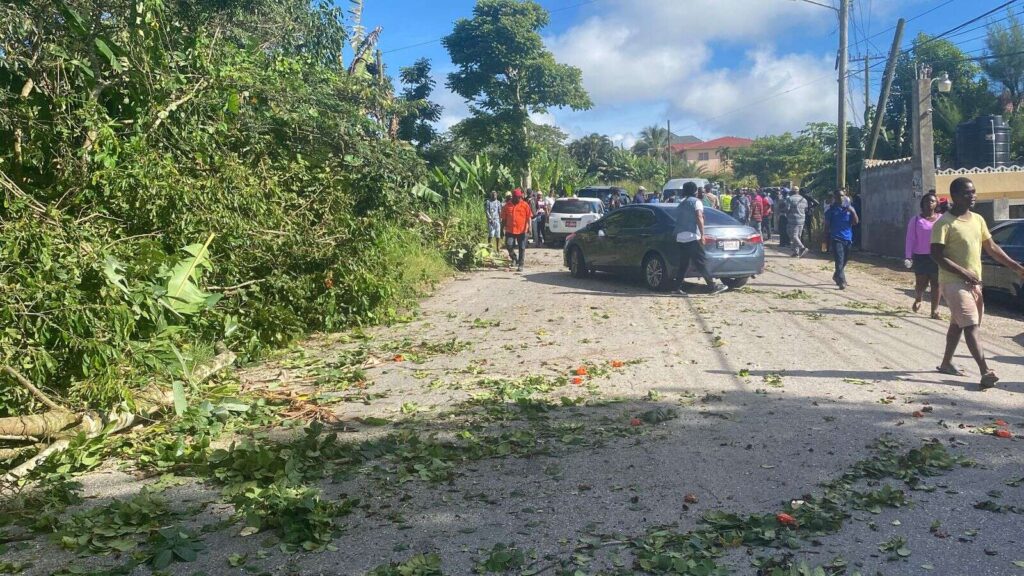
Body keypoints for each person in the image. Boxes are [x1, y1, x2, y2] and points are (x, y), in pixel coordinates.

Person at [932, 177, 1024, 390]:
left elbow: (992, 248)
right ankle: (985, 371)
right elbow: (936, 255)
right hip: (953, 282)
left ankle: (946, 363)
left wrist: (1016, 267)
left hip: (974, 283)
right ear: (954, 196)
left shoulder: (978, 220)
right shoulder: (944, 223)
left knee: (958, 324)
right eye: (966, 193)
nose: (972, 196)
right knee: (971, 325)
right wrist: (963, 271)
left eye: (973, 192)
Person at [673, 181, 726, 295]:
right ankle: (712, 286)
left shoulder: (681, 202)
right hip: (692, 236)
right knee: (701, 262)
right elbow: (699, 217)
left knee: (683, 264)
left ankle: (676, 288)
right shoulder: (697, 202)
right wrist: (702, 234)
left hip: (680, 237)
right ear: (694, 191)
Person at [904, 192, 942, 319]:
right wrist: (908, 256)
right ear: (922, 204)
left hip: (937, 256)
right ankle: (919, 297)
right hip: (921, 256)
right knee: (922, 283)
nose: (929, 203)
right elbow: (910, 239)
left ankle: (934, 311)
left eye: (932, 201)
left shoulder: (941, 219)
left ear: (936, 204)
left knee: (936, 283)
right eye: (926, 201)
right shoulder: (915, 220)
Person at [823, 190, 859, 289]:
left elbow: (855, 222)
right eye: (838, 196)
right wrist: (825, 242)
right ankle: (842, 281)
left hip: (848, 238)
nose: (841, 198)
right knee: (839, 260)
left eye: (842, 196)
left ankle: (836, 275)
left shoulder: (848, 209)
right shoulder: (830, 211)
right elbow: (826, 227)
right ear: (834, 197)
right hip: (836, 238)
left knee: (845, 260)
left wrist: (852, 211)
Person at [501, 188, 533, 272]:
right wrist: (501, 230)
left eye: (520, 197)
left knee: (522, 247)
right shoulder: (507, 206)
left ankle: (521, 264)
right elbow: (503, 219)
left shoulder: (525, 205)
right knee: (509, 245)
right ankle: (514, 258)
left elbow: (529, 217)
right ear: (513, 197)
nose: (519, 199)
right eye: (517, 197)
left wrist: (530, 227)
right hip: (510, 230)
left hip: (522, 230)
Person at [786, 187, 809, 257]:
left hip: (793, 220)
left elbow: (787, 209)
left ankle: (802, 248)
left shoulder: (790, 199)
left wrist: (787, 214)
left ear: (792, 192)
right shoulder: (804, 199)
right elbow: (806, 209)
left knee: (793, 235)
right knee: (798, 236)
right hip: (802, 219)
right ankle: (796, 252)